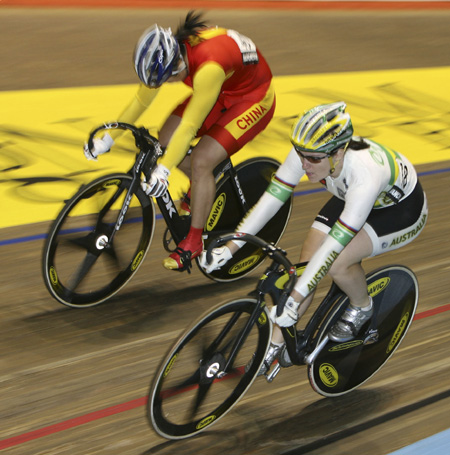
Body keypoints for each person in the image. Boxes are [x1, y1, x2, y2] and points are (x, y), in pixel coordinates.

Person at [200, 101, 428, 374]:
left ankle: (362, 306)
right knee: (304, 266)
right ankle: (274, 345)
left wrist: (294, 300)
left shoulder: (364, 174)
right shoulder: (311, 152)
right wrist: (231, 247)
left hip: (400, 211)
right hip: (351, 198)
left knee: (337, 263)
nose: (304, 164)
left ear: (339, 153)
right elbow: (272, 200)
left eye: (314, 159)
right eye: (300, 155)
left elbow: (332, 247)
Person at [84, 11, 276, 272]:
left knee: (201, 160)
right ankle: (199, 186)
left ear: (175, 68)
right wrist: (108, 139)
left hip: (253, 97)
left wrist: (163, 172)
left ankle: (194, 241)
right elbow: (142, 100)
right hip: (225, 86)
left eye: (165, 80)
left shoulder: (207, 68)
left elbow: (189, 127)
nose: (164, 85)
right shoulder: (170, 55)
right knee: (163, 140)